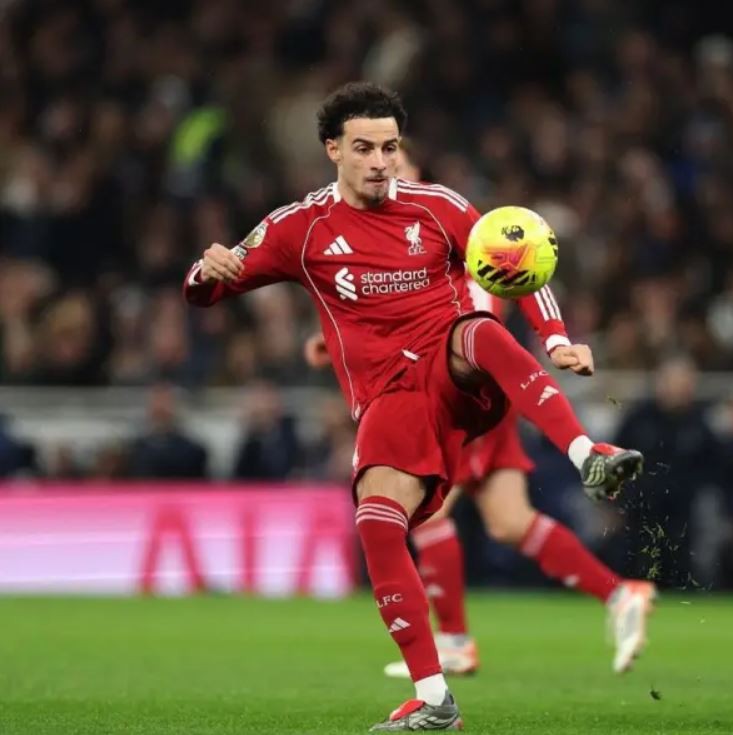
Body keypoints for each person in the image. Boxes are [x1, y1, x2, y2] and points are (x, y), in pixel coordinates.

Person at [183, 82, 645, 732]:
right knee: (379, 522)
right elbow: (205, 289)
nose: (381, 162)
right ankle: (435, 699)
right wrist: (207, 272)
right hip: (389, 398)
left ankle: (586, 453)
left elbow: (522, 257)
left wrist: (557, 340)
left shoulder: (438, 206)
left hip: (457, 370)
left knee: (479, 331)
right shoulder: (298, 228)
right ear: (333, 149)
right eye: (365, 148)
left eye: (390, 147)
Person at [303, 139, 656, 679]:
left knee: (425, 507)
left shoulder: (446, 220)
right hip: (473, 386)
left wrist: (556, 337)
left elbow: (528, 270)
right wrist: (333, 341)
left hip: (463, 387)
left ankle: (454, 640)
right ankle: (618, 593)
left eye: (395, 158)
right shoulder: (388, 237)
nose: (383, 169)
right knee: (511, 522)